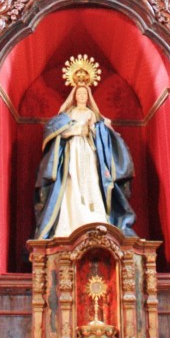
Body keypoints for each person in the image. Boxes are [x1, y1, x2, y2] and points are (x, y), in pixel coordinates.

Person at [33, 55, 135, 239]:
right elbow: (60, 131)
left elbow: (99, 133)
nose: (81, 96)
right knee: (72, 181)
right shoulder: (69, 113)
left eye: (84, 94)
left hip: (88, 151)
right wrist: (76, 130)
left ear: (88, 97)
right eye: (79, 94)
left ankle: (93, 216)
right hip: (73, 150)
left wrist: (96, 128)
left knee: (91, 181)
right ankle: (72, 220)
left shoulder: (90, 113)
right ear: (74, 96)